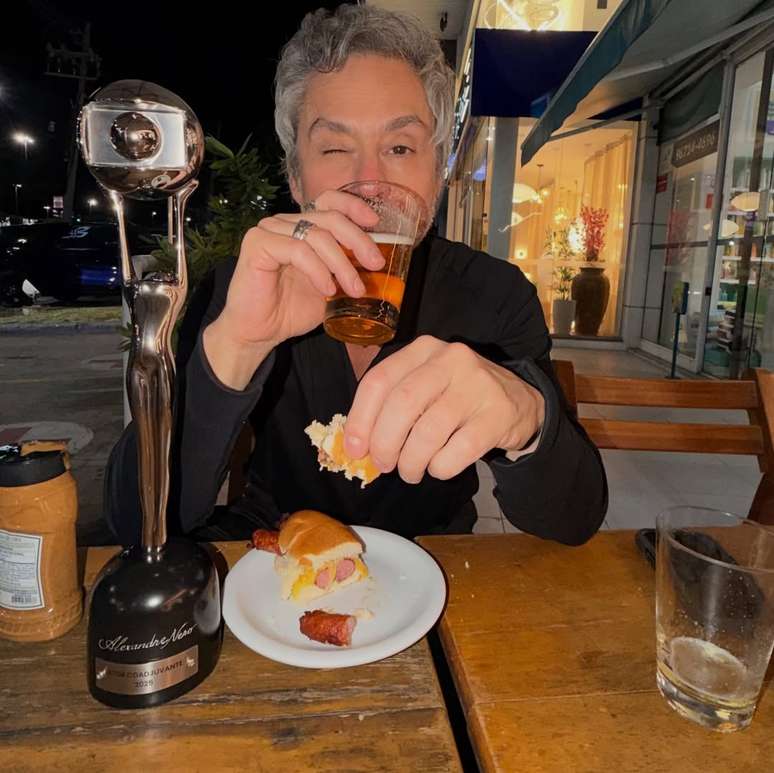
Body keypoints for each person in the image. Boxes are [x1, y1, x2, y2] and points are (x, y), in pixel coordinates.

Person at [106, 4, 607, 546]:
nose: (370, 181)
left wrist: (526, 418)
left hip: (435, 560)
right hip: (276, 553)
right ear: (296, 179)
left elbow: (575, 519)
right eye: (336, 148)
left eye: (399, 147)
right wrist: (235, 348)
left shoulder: (494, 294)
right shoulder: (241, 289)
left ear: (436, 175)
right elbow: (136, 525)